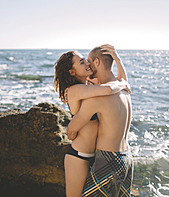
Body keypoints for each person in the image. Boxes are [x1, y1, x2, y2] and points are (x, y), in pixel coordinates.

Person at [54, 45, 130, 197]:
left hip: (96, 155)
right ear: (72, 72)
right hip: (79, 155)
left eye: (86, 61)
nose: (87, 64)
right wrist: (123, 84)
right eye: (82, 62)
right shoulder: (76, 90)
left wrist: (117, 62)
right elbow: (110, 89)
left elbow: (112, 84)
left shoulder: (90, 86)